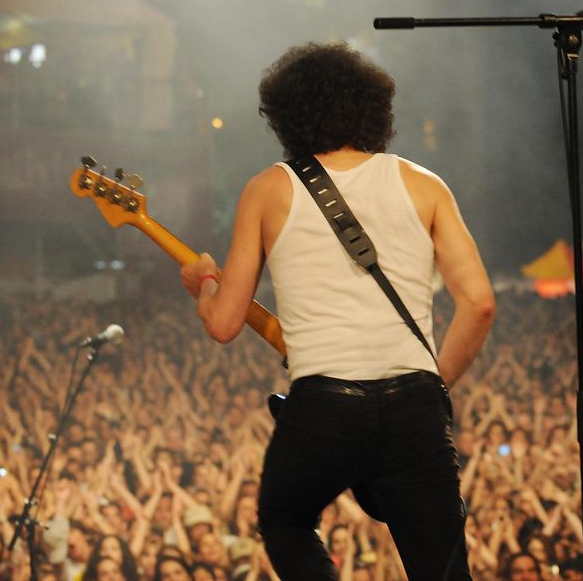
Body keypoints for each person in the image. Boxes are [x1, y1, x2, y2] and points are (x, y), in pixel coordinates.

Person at [179, 42, 497, 581]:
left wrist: (204, 282)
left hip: (323, 404)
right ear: (374, 107)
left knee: (286, 522)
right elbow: (480, 304)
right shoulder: (425, 185)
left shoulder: (267, 189)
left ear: (286, 116)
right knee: (442, 569)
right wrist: (432, 382)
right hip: (414, 404)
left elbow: (225, 324)